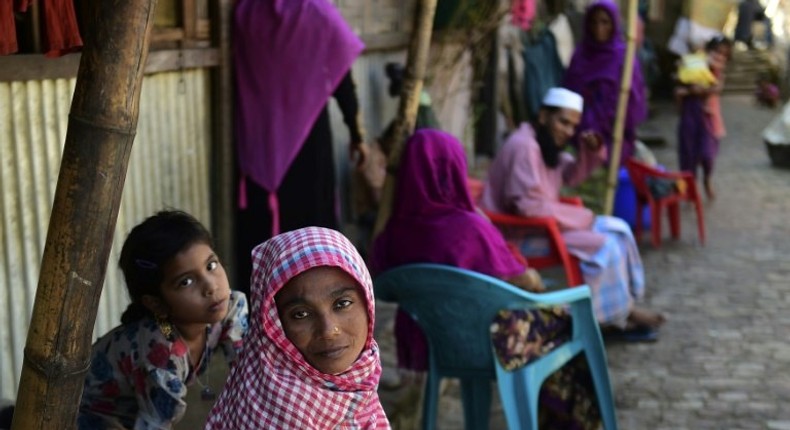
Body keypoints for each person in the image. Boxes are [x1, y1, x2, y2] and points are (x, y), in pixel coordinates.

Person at [371, 129, 602, 427]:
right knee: (570, 323)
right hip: (490, 340)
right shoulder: (470, 228)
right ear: (454, 170)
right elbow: (526, 279)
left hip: (431, 342)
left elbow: (384, 284)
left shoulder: (392, 234)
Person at [481, 87, 665, 338]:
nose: (567, 131)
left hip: (547, 224)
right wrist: (579, 218)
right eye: (563, 122)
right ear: (544, 116)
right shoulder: (524, 146)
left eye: (572, 126)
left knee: (619, 230)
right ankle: (604, 319)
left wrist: (590, 152)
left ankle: (623, 308)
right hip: (523, 232)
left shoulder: (542, 143)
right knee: (606, 245)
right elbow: (527, 206)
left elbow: (572, 175)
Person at [233, 0, 367, 293]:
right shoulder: (316, 11)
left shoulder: (246, 11)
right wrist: (356, 131)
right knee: (311, 222)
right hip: (307, 141)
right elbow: (341, 76)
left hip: (258, 138)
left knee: (262, 225)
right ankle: (316, 296)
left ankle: (264, 302)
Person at [78, 210, 249, 429]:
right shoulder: (161, 352)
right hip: (86, 414)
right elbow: (154, 425)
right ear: (156, 303)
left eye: (211, 265)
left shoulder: (230, 308)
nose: (211, 287)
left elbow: (248, 371)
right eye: (186, 282)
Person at [205, 227, 389, 429]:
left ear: (367, 302)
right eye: (301, 314)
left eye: (342, 304)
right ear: (273, 326)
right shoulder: (275, 414)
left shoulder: (360, 378)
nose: (328, 330)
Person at [563, 0, 647, 166]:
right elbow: (568, 94)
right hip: (578, 136)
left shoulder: (624, 58)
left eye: (604, 22)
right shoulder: (580, 55)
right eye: (593, 22)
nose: (598, 28)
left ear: (614, 24)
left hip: (612, 139)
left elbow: (634, 101)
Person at [676, 36, 733, 200]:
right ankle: (690, 188)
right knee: (688, 153)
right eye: (717, 52)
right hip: (690, 116)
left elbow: (716, 88)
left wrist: (696, 90)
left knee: (708, 155)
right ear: (708, 51)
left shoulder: (718, 74)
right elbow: (679, 91)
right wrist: (687, 92)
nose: (719, 57)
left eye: (724, 55)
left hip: (710, 120)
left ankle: (707, 178)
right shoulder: (693, 67)